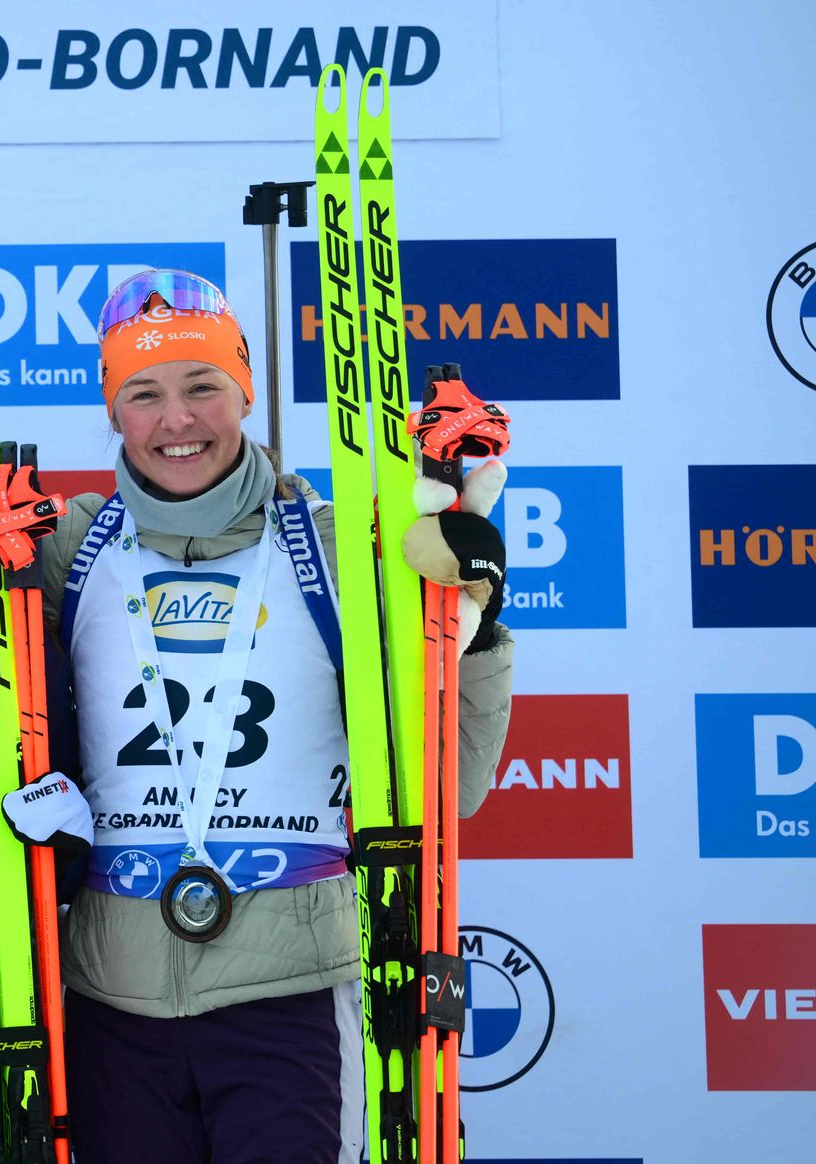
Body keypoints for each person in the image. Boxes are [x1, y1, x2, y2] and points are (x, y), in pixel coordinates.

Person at [34, 271, 514, 1164]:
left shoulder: (339, 548)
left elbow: (458, 780)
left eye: (203, 387)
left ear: (244, 391)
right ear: (112, 411)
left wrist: (474, 613)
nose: (177, 420)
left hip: (294, 985)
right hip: (111, 994)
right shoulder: (65, 549)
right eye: (143, 394)